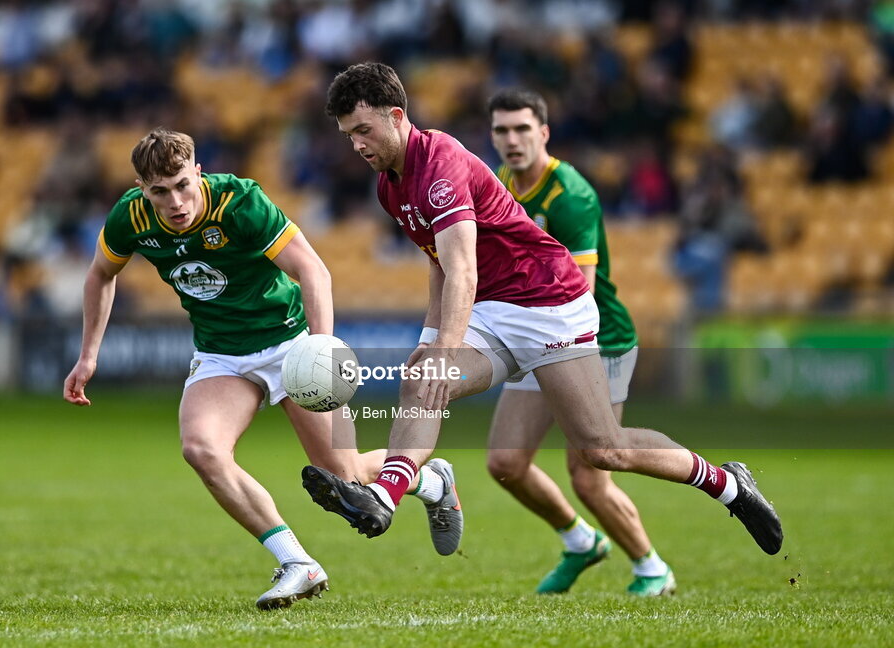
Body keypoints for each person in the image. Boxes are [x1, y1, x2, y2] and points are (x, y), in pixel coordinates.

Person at [301, 63, 783, 571]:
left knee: (604, 449)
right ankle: (387, 497)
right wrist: (430, 340)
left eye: (363, 130)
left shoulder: (440, 165)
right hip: (492, 309)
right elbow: (440, 264)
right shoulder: (389, 185)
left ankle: (728, 483)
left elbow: (463, 269)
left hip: (548, 302)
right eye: (348, 135)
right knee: (422, 379)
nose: (356, 145)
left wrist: (446, 344)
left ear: (397, 116)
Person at [61, 128, 458, 609]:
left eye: (183, 185)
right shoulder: (131, 217)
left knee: (346, 477)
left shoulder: (240, 202)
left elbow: (312, 269)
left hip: (289, 342)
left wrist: (322, 346)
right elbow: (101, 275)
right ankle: (298, 563)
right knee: (202, 449)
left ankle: (432, 481)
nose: (175, 202)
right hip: (221, 355)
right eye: (159, 192)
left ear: (198, 173)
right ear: (142, 190)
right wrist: (88, 355)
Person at [486, 88, 672, 596]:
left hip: (594, 337)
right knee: (505, 463)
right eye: (502, 130)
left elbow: (580, 296)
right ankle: (581, 541)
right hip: (535, 333)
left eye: (522, 128)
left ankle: (652, 567)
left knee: (592, 467)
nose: (512, 139)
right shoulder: (500, 183)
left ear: (544, 132)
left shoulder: (570, 195)